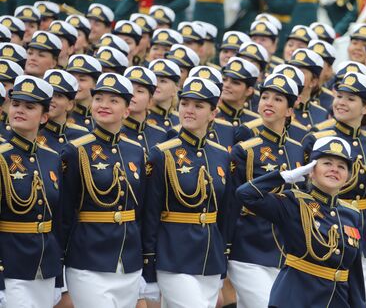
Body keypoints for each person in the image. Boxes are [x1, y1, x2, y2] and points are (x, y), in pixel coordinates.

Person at [235, 136, 366, 307]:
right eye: (327, 163)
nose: (334, 169)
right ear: (311, 170)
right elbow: (245, 195)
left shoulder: (352, 214)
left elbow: (354, 273)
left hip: (336, 300)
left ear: (347, 176)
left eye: (341, 167)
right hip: (297, 298)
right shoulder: (294, 202)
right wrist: (283, 177)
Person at [141, 76, 231, 307]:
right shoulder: (161, 153)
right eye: (185, 104)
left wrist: (222, 257)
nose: (189, 110)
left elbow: (225, 212)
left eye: (198, 106)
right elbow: (150, 213)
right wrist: (149, 263)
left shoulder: (221, 154)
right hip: (173, 254)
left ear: (213, 113)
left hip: (209, 257)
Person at [303, 71, 366, 301]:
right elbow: (304, 190)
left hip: (364, 232)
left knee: (358, 301)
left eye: (351, 99)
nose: (341, 103)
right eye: (339, 96)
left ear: (365, 108)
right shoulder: (317, 137)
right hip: (325, 230)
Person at [61, 73, 146, 308]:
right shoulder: (75, 150)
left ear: (127, 111)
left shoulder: (135, 151)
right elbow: (65, 211)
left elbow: (141, 208)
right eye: (99, 99)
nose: (104, 105)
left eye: (113, 100)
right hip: (87, 257)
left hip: (128, 259)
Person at [228, 73, 305, 308]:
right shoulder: (244, 150)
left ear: (290, 110)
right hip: (248, 247)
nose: (268, 103)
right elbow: (231, 203)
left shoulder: (298, 149)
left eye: (278, 99)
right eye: (265, 97)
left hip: (284, 248)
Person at [0, 76, 63, 307]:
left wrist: (58, 279)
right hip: (11, 266)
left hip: (44, 267)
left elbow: (56, 218)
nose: (20, 110)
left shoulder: (52, 158)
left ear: (44, 117)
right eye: (16, 104)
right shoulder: (1, 155)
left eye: (30, 107)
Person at [121, 66, 170, 152]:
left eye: (139, 91)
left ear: (150, 101)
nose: (132, 95)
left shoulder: (160, 134)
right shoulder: (114, 132)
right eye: (129, 89)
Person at [37, 69, 89, 151]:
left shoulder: (82, 136)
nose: (52, 100)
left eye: (58, 96)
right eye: (49, 94)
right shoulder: (31, 132)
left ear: (70, 105)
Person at [66, 54, 103, 131]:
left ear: (95, 84)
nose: (75, 83)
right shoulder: (59, 115)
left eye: (82, 79)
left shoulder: (103, 117)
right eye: (71, 78)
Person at [147, 59, 182, 131]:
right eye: (154, 80)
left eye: (163, 81)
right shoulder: (140, 117)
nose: (156, 85)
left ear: (176, 88)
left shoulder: (181, 120)